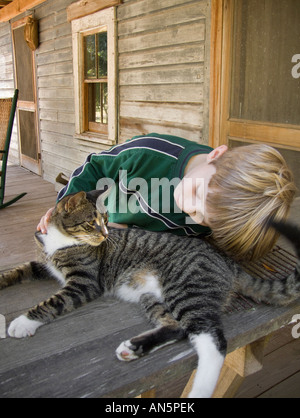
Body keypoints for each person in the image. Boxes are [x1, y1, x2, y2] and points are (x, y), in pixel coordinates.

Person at [37, 133, 296, 261]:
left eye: (202, 218)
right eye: (197, 192)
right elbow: (95, 167)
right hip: (106, 223)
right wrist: (66, 206)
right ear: (216, 155)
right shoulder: (147, 154)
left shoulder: (222, 211)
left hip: (138, 246)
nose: (189, 208)